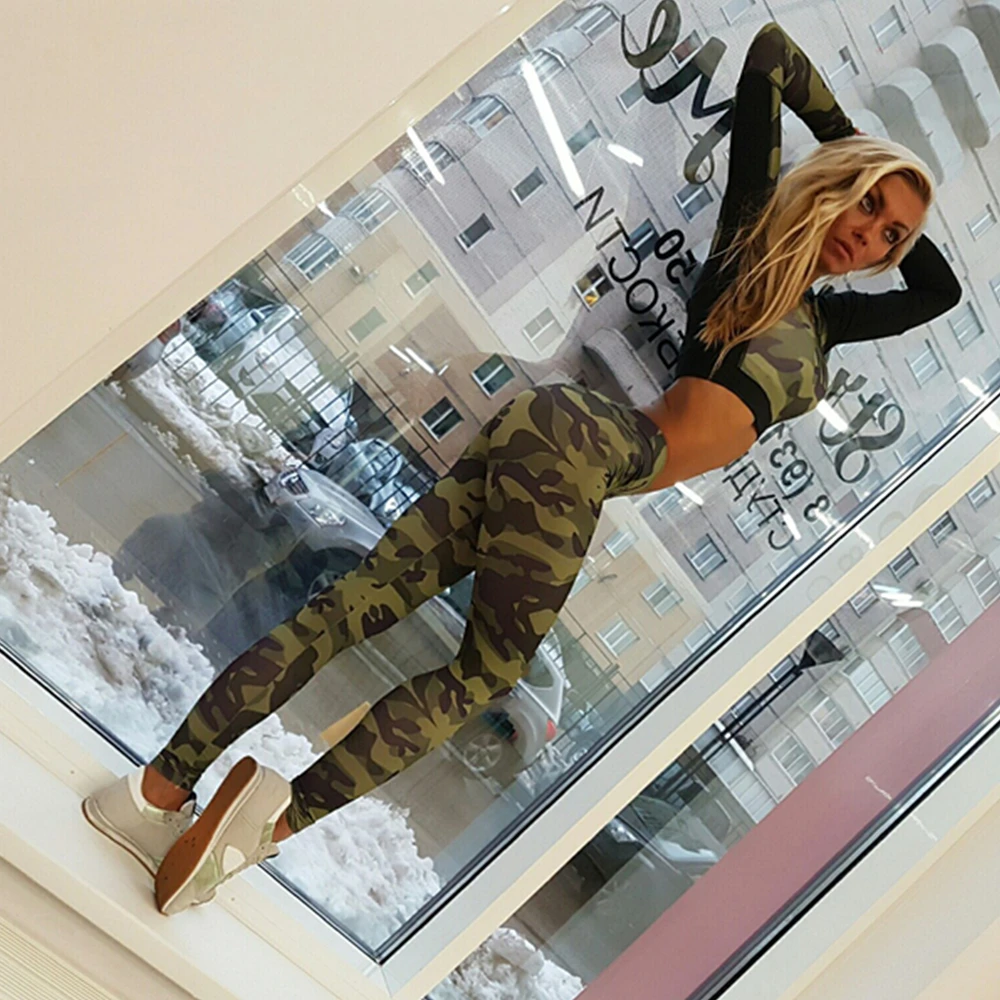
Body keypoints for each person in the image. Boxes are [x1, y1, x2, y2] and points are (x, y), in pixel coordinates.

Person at [83, 22, 961, 916]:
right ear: (834, 187)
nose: (872, 237)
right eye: (866, 207)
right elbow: (769, 53)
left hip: (556, 431)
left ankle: (153, 793)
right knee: (482, 674)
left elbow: (942, 293)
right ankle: (260, 832)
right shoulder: (753, 243)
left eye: (890, 234)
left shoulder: (829, 324)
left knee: (352, 605)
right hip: (593, 450)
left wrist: (887, 195)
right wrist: (850, 141)